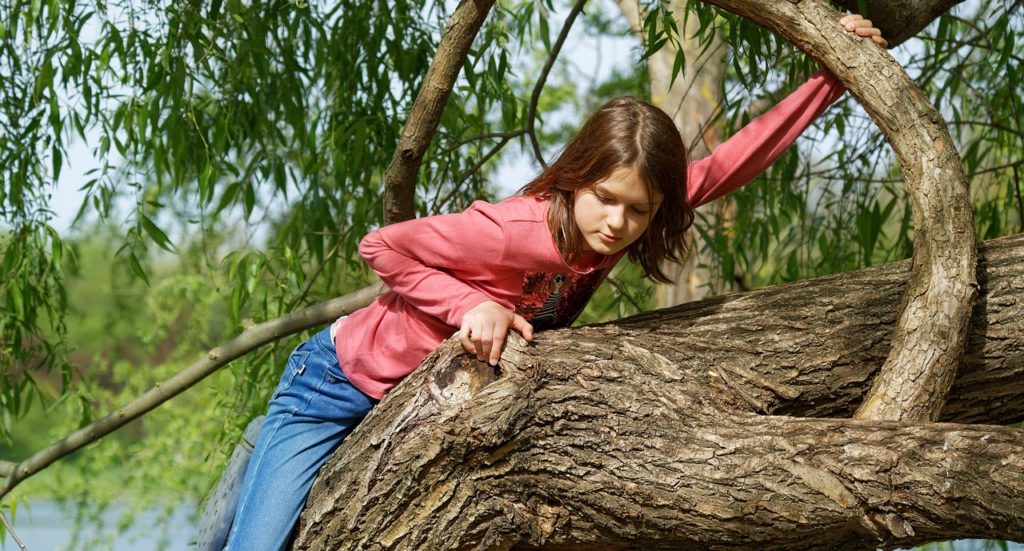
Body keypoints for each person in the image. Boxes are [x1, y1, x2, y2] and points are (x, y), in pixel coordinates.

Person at [197, 14, 887, 551]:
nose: (618, 223)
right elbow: (381, 245)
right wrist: (472, 303)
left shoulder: (621, 221)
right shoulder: (513, 229)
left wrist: (834, 73)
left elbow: (725, 167)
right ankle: (266, 440)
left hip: (423, 405)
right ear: (577, 177)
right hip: (337, 386)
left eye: (638, 211)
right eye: (606, 198)